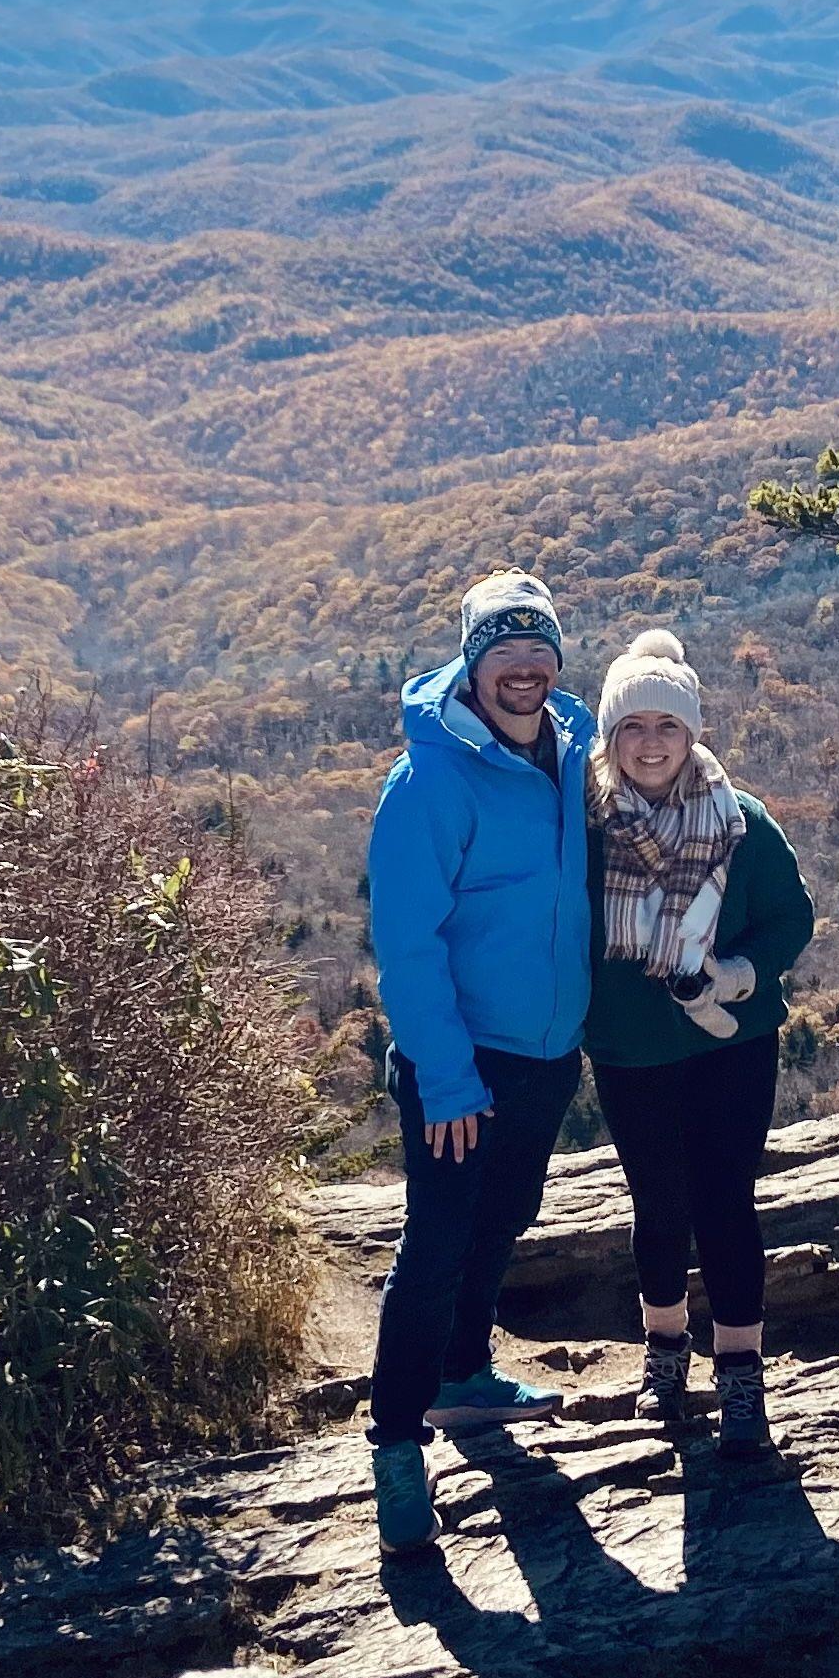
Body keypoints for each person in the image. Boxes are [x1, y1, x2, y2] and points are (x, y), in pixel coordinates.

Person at [359, 568, 593, 1553]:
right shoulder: (430, 780)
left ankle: (461, 1377)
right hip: (461, 1061)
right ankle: (396, 1446)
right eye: (505, 653)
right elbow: (407, 947)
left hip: (547, 1050)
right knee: (438, 1243)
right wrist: (449, 1079)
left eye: (540, 650)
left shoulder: (573, 750)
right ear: (472, 662)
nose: (525, 670)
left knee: (505, 1218)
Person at [582, 626, 816, 1461]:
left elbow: (791, 918)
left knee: (725, 1203)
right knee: (657, 1204)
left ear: (692, 733)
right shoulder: (583, 828)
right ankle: (665, 1354)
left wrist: (739, 974)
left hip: (733, 1042)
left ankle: (742, 1376)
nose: (651, 745)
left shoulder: (740, 820)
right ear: (610, 737)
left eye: (667, 726)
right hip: (628, 1045)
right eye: (633, 728)